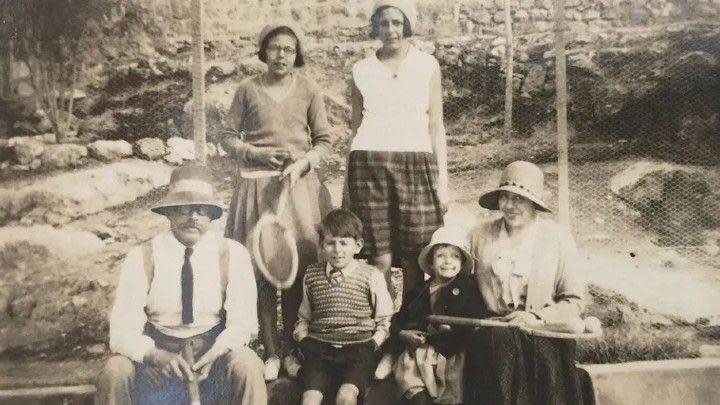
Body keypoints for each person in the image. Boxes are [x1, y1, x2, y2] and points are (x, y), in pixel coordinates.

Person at [96, 165, 266, 405]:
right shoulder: (144, 256)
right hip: (157, 358)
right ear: (170, 213)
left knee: (248, 366)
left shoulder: (232, 254)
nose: (193, 217)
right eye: (184, 209)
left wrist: (214, 354)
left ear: (211, 215)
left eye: (201, 209)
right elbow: (122, 329)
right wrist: (153, 356)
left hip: (213, 354)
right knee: (115, 372)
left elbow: (244, 323)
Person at [221, 21, 333, 381]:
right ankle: (270, 351)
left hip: (298, 190)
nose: (281, 55)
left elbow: (324, 141)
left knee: (297, 268)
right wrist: (253, 153)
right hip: (256, 189)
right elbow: (226, 137)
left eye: (288, 49)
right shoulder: (247, 89)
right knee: (263, 271)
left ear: (297, 54)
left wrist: (303, 163)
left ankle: (293, 348)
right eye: (275, 48)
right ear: (264, 52)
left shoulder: (310, 89)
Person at [344, 0, 448, 377]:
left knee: (415, 259)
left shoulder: (427, 65)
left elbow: (437, 127)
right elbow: (354, 129)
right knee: (380, 260)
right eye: (383, 22)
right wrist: (345, 183)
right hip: (368, 163)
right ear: (375, 26)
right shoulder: (360, 69)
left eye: (397, 22)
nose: (390, 28)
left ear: (408, 25)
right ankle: (384, 337)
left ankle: (413, 333)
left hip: (415, 163)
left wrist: (443, 181)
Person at [464, 161, 590, 405]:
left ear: (533, 203)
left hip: (543, 333)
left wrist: (536, 318)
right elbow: (459, 286)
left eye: (519, 199)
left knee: (542, 362)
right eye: (505, 197)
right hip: (495, 333)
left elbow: (573, 301)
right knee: (499, 351)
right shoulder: (478, 235)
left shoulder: (557, 238)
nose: (510, 206)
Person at [293, 208, 394, 405]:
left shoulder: (370, 275)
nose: (337, 250)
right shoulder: (312, 275)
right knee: (310, 399)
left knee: (346, 397)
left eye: (344, 243)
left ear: (357, 246)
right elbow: (304, 317)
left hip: (358, 349)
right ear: (322, 246)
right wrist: (304, 339)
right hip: (320, 348)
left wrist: (373, 343)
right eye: (331, 243)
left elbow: (385, 319)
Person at [391, 226, 488, 405]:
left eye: (455, 256)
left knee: (449, 394)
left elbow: (476, 319)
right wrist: (402, 333)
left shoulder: (467, 287)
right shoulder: (420, 290)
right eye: (441, 256)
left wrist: (451, 330)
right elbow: (399, 318)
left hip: (451, 354)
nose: (447, 261)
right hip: (419, 352)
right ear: (431, 262)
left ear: (461, 262)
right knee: (414, 392)